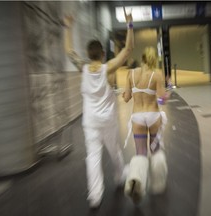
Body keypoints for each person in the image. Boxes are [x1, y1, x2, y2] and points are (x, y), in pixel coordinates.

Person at [63, 9, 134, 209]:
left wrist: (67, 26)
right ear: (102, 54)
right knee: (114, 150)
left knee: (92, 157)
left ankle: (95, 196)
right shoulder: (107, 68)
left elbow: (69, 51)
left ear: (87, 54)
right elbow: (128, 50)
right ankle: (120, 176)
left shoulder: (82, 68)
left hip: (90, 123)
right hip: (108, 121)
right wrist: (129, 24)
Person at [122, 46, 170, 204]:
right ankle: (158, 184)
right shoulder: (156, 74)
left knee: (140, 152)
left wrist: (125, 93)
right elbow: (162, 99)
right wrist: (166, 94)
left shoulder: (131, 73)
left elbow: (126, 97)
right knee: (155, 150)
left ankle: (136, 179)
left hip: (137, 116)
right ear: (154, 60)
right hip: (153, 115)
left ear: (142, 58)